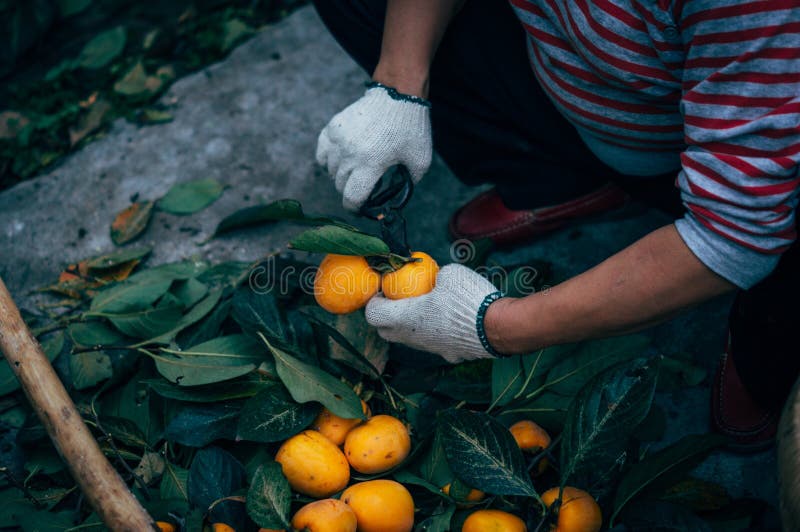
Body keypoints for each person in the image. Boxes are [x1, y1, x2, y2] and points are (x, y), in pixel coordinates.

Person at [311, 0, 800, 450]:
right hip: (575, 74)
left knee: (773, 274)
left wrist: (494, 327)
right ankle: (561, 180)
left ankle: (768, 340)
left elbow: (733, 234)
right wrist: (398, 85)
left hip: (745, 168)